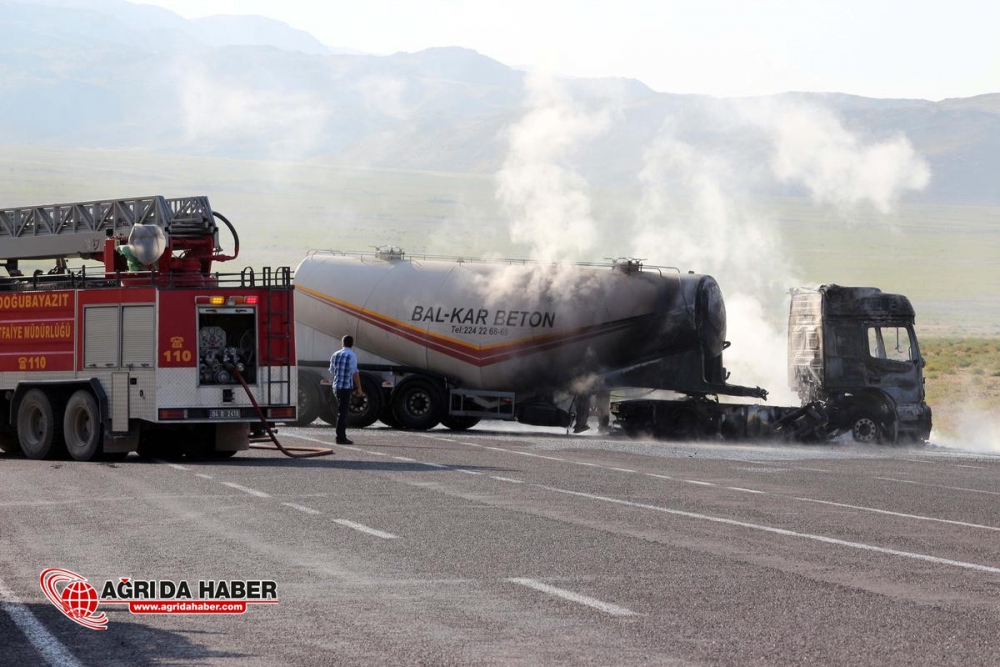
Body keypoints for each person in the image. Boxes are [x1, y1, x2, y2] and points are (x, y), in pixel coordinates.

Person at [329, 335, 365, 444]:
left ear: (342, 343)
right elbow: (354, 372)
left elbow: (331, 370)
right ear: (352, 344)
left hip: (336, 386)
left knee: (341, 412)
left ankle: (340, 436)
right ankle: (340, 437)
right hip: (345, 387)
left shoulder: (335, 354)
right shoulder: (352, 355)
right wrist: (359, 388)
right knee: (343, 413)